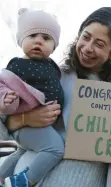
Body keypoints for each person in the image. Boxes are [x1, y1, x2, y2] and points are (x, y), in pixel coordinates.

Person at [0, 7, 111, 187]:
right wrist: (23, 119)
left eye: (99, 44)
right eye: (85, 37)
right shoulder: (49, 75)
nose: (88, 48)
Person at [0, 8, 64, 187]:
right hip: (26, 126)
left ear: (54, 46)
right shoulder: (18, 65)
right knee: (56, 149)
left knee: (21, 152)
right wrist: (5, 99)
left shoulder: (52, 66)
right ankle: (23, 181)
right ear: (21, 40)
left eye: (46, 38)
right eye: (32, 35)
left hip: (38, 128)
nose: (38, 41)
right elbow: (2, 84)